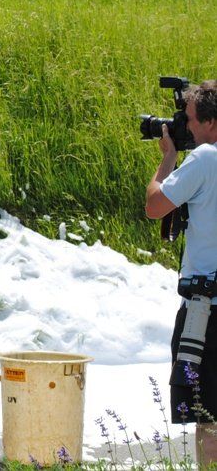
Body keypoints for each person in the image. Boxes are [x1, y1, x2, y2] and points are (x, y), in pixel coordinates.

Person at [145, 80, 217, 465]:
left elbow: (155, 205)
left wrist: (168, 158)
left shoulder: (205, 159)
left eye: (188, 119)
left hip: (208, 311)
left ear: (210, 121)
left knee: (210, 418)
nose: (184, 127)